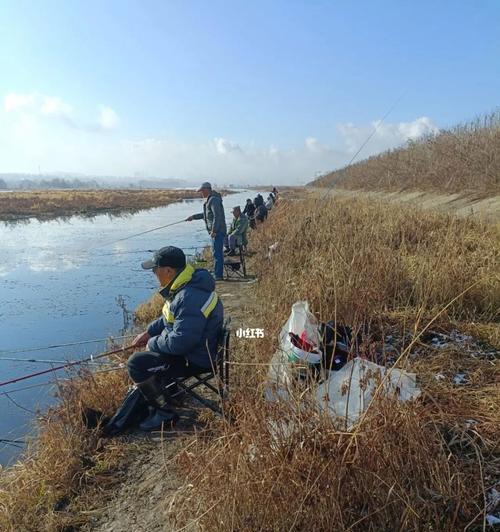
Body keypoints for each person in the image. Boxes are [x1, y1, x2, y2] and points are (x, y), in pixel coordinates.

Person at [128, 246, 224, 430]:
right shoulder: (187, 284)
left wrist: (151, 343)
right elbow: (169, 317)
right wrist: (149, 332)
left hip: (196, 359)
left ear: (168, 271)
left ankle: (164, 414)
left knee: (136, 363)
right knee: (150, 356)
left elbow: (180, 342)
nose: (154, 274)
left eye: (155, 270)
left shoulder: (189, 296)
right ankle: (173, 392)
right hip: (196, 350)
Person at [186, 182, 226, 281]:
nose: (201, 193)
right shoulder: (210, 200)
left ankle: (218, 276)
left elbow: (217, 216)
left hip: (218, 232)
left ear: (207, 189)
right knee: (216, 252)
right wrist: (193, 217)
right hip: (216, 231)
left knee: (217, 253)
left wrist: (214, 230)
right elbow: (206, 215)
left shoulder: (213, 200)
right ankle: (217, 272)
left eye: (202, 191)